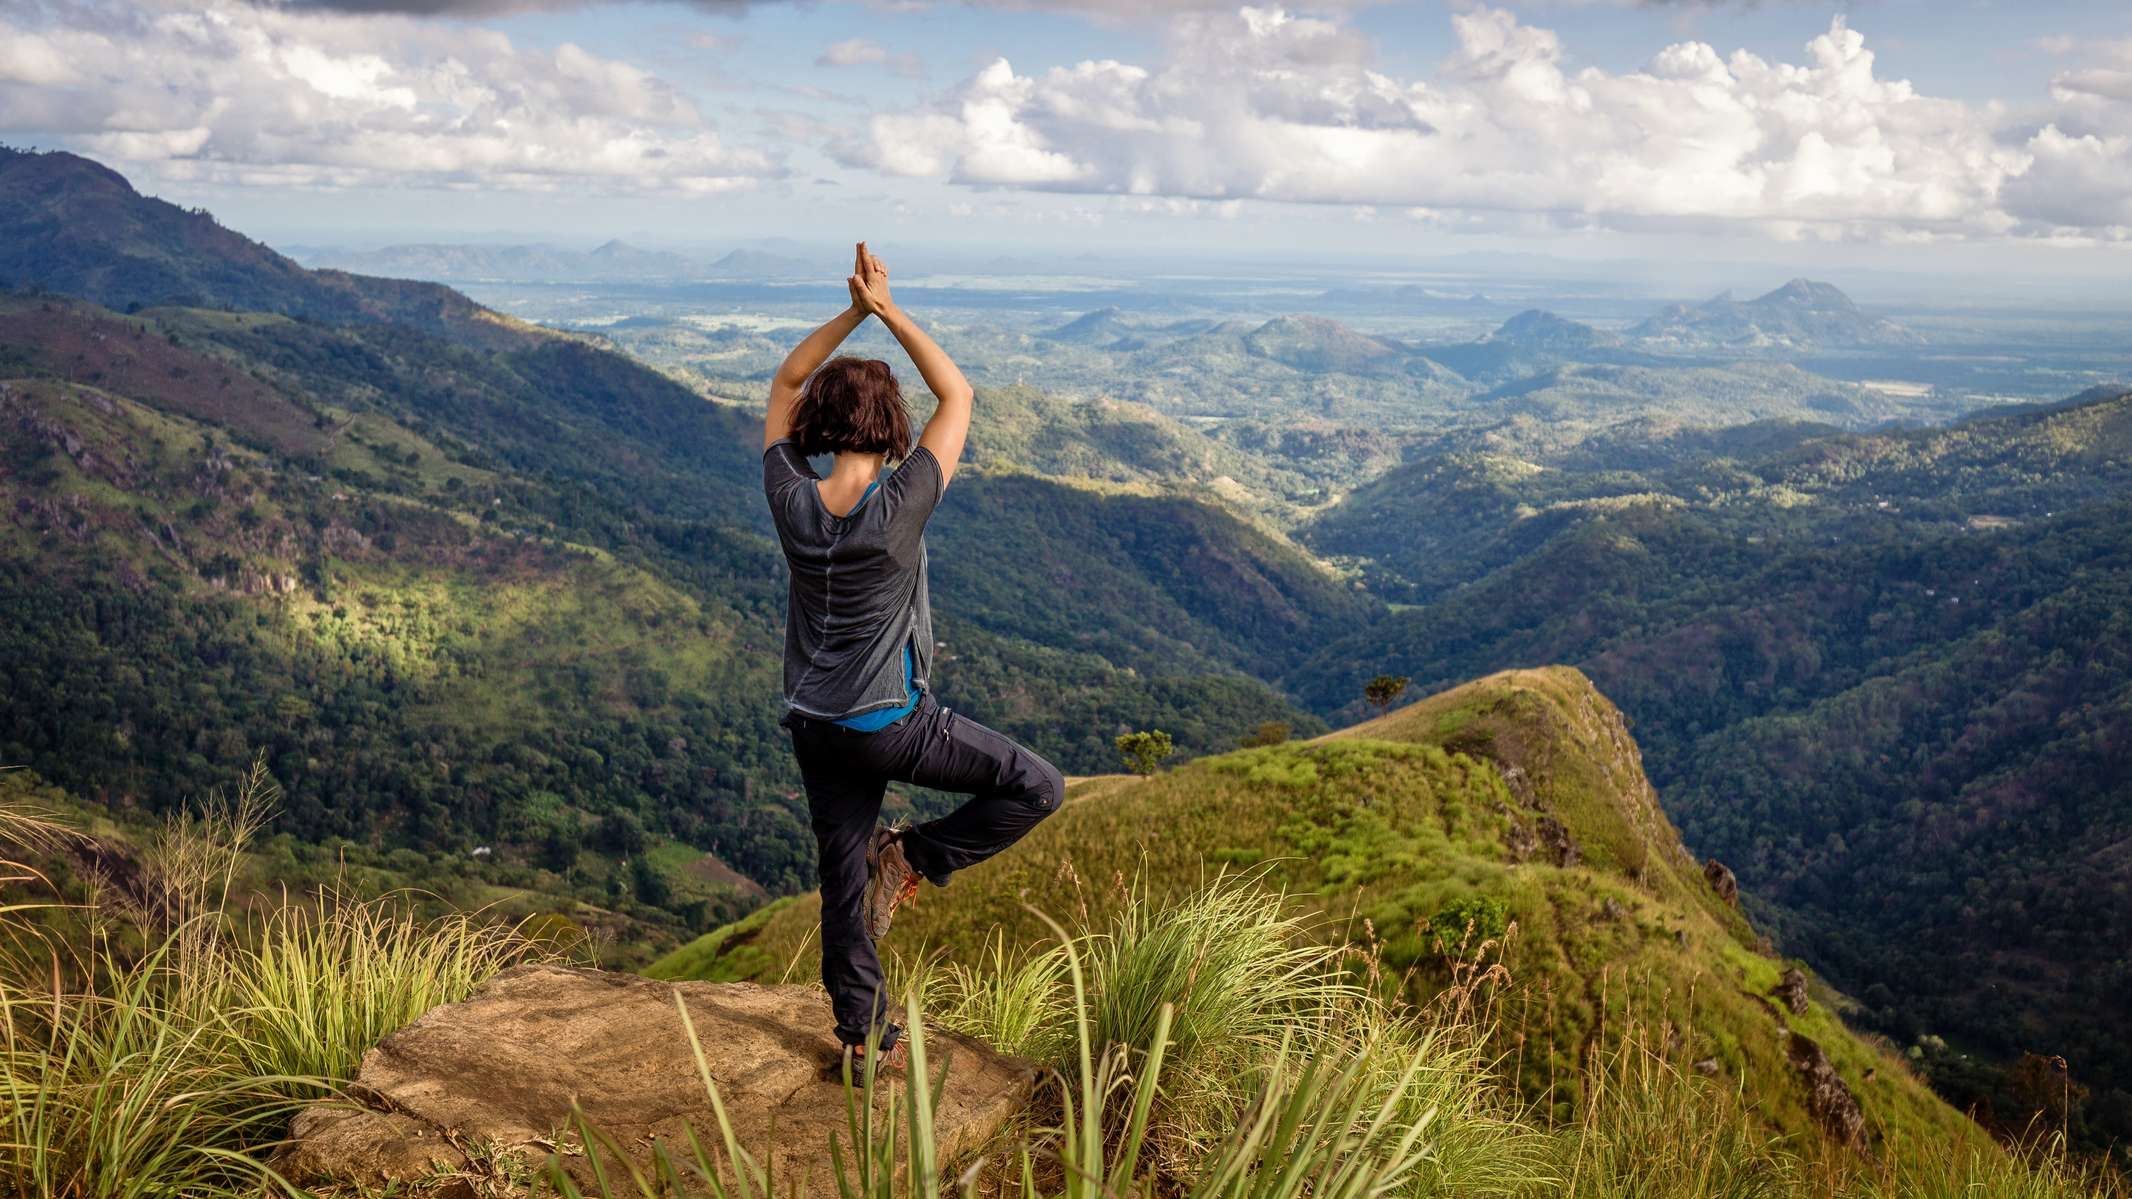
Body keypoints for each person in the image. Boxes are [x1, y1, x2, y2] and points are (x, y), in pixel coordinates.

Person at [762, 242, 1064, 1072]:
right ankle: (916, 856)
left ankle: (862, 1038)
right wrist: (887, 310)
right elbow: (957, 393)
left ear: (819, 424)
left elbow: (786, 381)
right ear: (892, 427)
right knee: (1038, 785)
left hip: (813, 725)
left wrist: (850, 314)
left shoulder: (789, 498)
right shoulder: (900, 505)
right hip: (892, 725)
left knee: (840, 881)